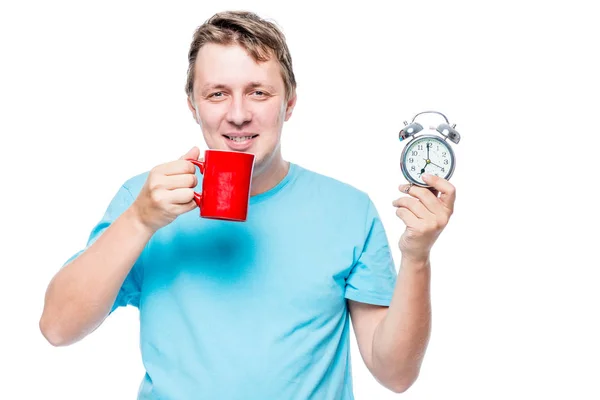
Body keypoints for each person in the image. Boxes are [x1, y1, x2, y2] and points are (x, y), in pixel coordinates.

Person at [39, 10, 456, 400]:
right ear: (194, 107)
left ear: (289, 103)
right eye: (217, 94)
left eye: (258, 92)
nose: (238, 114)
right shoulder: (147, 200)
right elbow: (57, 328)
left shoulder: (350, 211)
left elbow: (395, 373)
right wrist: (139, 221)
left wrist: (417, 257)